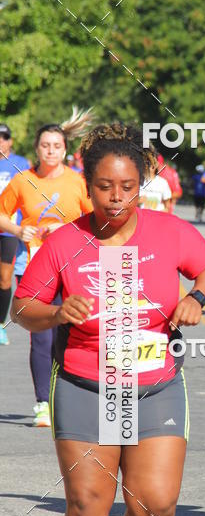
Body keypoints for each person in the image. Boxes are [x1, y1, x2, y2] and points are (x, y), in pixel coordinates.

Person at [11, 122, 205, 516]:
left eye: (127, 187)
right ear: (89, 185)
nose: (116, 198)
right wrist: (58, 310)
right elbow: (22, 308)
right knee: (86, 502)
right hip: (86, 385)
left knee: (157, 507)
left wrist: (196, 297)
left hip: (154, 385)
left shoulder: (168, 232)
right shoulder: (65, 242)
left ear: (142, 184)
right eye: (105, 186)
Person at [0, 109, 93, 426]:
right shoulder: (23, 180)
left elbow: (96, 221)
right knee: (40, 335)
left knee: (68, 334)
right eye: (45, 145)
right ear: (36, 148)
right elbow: (1, 213)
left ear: (65, 149)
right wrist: (17, 230)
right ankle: (43, 403)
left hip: (72, 267)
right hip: (33, 265)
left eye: (56, 145)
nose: (50, 150)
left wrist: (67, 230)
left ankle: (67, 396)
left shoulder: (78, 183)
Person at [0, 123, 29, 346]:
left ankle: (0, 324)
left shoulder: (20, 164)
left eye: (5, 137)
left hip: (8, 230)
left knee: (4, 278)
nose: (1, 141)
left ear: (10, 141)